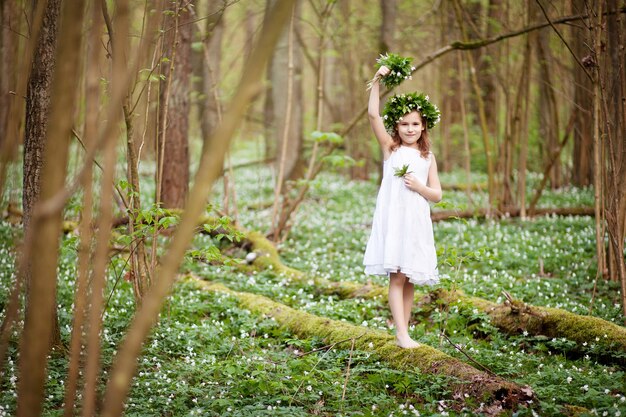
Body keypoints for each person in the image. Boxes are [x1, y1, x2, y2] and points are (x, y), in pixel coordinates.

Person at [363, 65, 442, 349]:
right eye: (404, 124)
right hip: (394, 219)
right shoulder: (390, 149)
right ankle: (401, 334)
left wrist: (421, 188)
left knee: (408, 277)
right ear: (396, 127)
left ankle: (404, 331)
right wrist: (377, 80)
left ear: (424, 127)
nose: (410, 129)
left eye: (415, 124)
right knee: (396, 276)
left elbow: (437, 194)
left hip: (416, 221)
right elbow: (373, 114)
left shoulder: (428, 157)